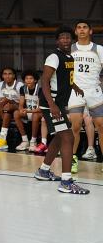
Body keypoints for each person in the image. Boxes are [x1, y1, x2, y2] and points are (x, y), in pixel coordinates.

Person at [34, 27, 89, 193]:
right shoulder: (54, 57)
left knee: (59, 138)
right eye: (62, 38)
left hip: (58, 104)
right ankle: (66, 182)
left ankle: (43, 171)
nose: (65, 40)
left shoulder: (69, 57)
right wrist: (52, 105)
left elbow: (66, 78)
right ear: (57, 41)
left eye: (67, 37)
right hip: (52, 105)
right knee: (68, 138)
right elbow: (44, 81)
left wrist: (75, 87)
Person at [71, 20, 103, 167]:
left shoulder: (99, 49)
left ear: (91, 31)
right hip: (75, 92)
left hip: (94, 92)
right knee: (75, 127)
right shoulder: (69, 49)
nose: (82, 30)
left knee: (101, 126)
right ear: (75, 31)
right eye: (79, 27)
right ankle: (72, 160)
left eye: (85, 27)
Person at [18, 70, 47, 153]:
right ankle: (25, 140)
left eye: (31, 78)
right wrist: (20, 109)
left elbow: (40, 108)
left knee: (35, 115)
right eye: (26, 78)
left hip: (38, 112)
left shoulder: (40, 90)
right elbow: (21, 103)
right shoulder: (22, 88)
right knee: (16, 114)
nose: (28, 80)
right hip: (28, 111)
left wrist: (27, 111)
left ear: (35, 80)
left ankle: (33, 141)